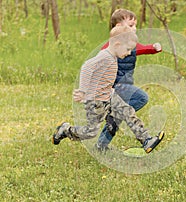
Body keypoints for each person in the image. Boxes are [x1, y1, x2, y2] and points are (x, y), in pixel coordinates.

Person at [52, 25, 164, 154]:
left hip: (110, 95)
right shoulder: (104, 56)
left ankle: (146, 140)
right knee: (90, 132)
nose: (128, 53)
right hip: (96, 100)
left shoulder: (113, 56)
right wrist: (82, 91)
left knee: (128, 111)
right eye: (127, 49)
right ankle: (66, 130)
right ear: (117, 44)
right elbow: (86, 68)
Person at [96, 9, 162, 150]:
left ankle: (101, 145)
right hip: (115, 87)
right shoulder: (110, 47)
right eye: (130, 25)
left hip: (125, 85)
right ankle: (144, 138)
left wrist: (154, 48)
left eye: (135, 25)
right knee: (141, 98)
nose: (134, 28)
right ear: (119, 27)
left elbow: (143, 49)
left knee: (118, 116)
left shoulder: (131, 44)